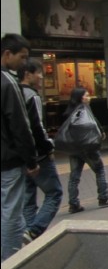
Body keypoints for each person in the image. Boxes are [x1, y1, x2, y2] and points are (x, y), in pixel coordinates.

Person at [1, 33, 39, 261]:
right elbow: (20, 125)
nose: (24, 63)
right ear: (7, 55)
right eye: (22, 57)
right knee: (12, 214)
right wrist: (32, 160)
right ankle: (10, 263)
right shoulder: (8, 82)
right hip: (8, 161)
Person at [20, 59, 62, 243]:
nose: (41, 77)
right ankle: (34, 231)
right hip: (39, 155)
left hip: (20, 156)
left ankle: (27, 234)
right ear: (28, 74)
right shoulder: (32, 96)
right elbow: (37, 126)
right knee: (54, 193)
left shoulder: (11, 92)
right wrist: (48, 146)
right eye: (39, 72)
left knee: (28, 197)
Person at [64, 87, 108, 214]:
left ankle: (73, 203)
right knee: (99, 170)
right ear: (81, 98)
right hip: (88, 147)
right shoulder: (83, 111)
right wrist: (98, 134)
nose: (89, 97)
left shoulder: (70, 112)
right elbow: (90, 126)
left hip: (74, 148)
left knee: (74, 176)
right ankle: (104, 197)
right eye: (87, 95)